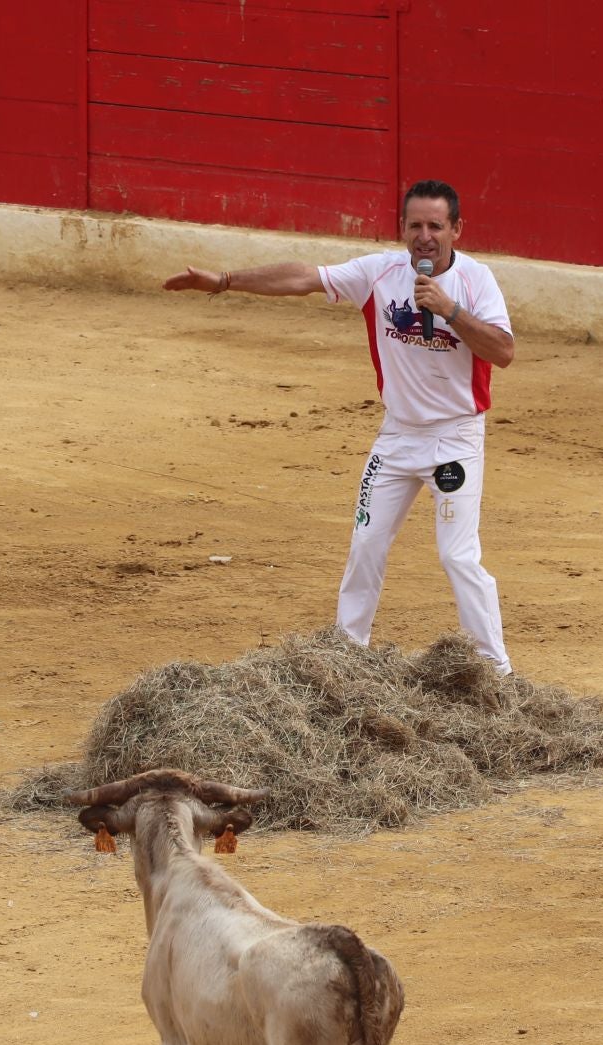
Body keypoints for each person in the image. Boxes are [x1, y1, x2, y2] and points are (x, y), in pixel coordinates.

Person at [162, 180, 519, 675]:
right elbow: (305, 278)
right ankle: (349, 661)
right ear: (402, 228)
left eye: (436, 225)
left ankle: (496, 672)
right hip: (397, 436)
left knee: (458, 556)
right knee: (366, 545)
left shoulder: (477, 282)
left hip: (455, 440)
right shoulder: (380, 272)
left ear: (456, 229)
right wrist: (225, 281)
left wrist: (450, 310)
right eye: (414, 225)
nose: (424, 236)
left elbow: (502, 352)